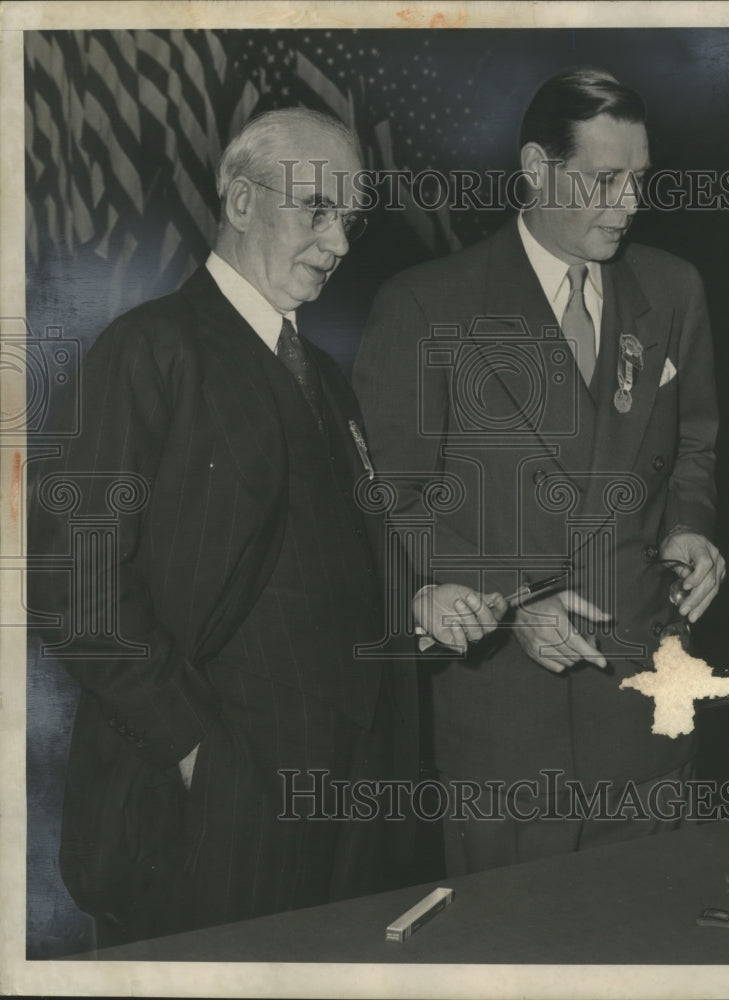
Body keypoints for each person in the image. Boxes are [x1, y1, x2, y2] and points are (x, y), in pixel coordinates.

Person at [27, 108, 503, 945]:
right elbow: (72, 583)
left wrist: (419, 603)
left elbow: (334, 553)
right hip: (218, 806)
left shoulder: (321, 372)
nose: (340, 241)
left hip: (353, 806)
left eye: (350, 218)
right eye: (316, 209)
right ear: (240, 201)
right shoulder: (150, 350)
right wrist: (196, 752)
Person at [354, 68, 726, 876]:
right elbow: (395, 501)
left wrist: (690, 529)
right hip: (511, 732)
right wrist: (511, 600)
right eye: (603, 180)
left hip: (646, 713)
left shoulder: (673, 290)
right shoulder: (426, 305)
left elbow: (694, 444)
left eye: (639, 179)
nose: (628, 203)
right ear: (534, 167)